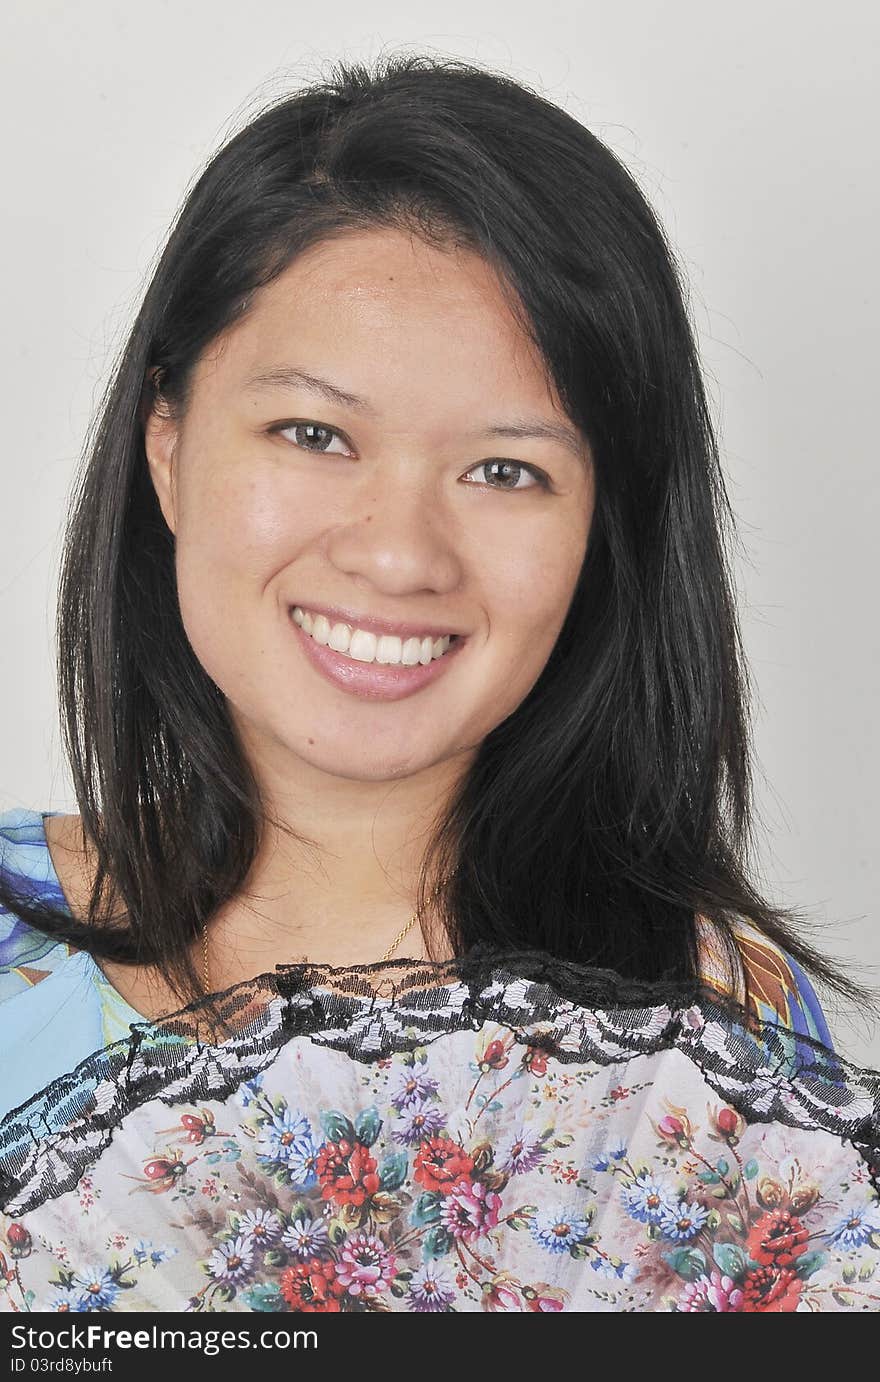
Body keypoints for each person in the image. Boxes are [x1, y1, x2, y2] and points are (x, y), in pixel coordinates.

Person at [0, 54, 877, 1315]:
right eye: (313, 434)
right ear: (170, 442)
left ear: (601, 531)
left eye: (506, 469)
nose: (398, 551)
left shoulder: (716, 1022)